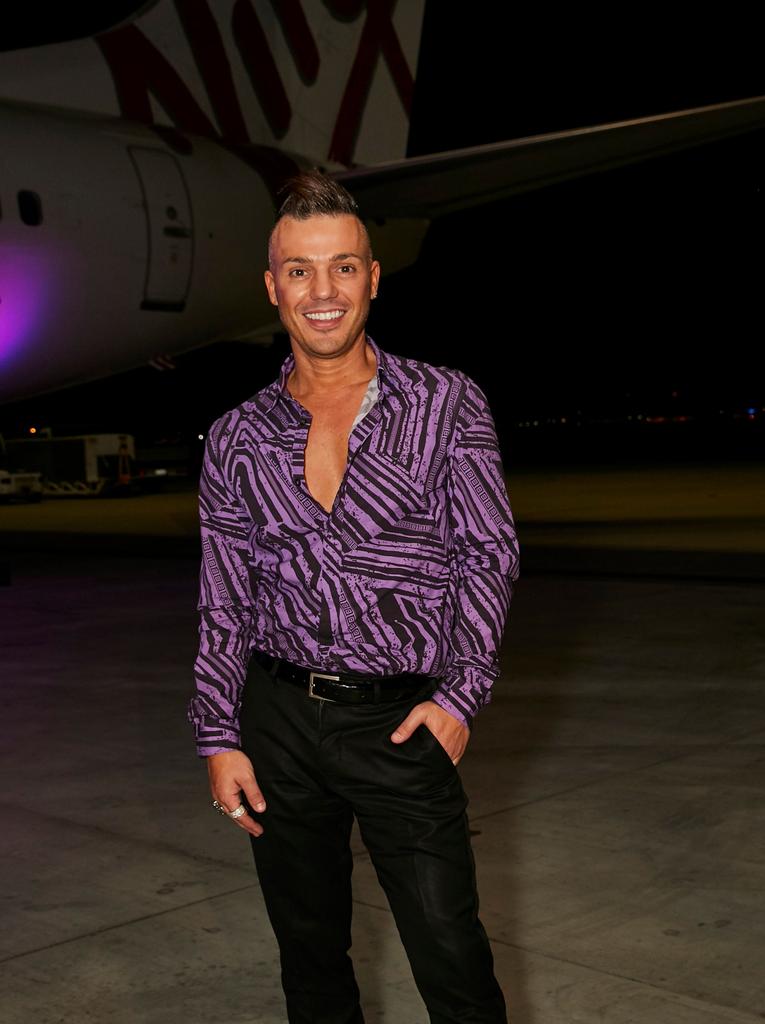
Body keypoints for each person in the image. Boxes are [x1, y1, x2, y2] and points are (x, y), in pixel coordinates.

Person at [187, 171, 520, 1024]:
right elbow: (224, 598)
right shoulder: (235, 438)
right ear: (272, 287)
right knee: (310, 961)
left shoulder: (445, 403)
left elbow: (488, 553)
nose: (322, 292)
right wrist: (219, 733)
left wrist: (459, 696)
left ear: (374, 276)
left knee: (453, 959)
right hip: (279, 722)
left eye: (343, 267)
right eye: (300, 271)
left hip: (402, 722)